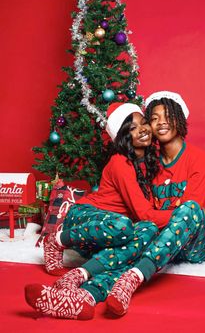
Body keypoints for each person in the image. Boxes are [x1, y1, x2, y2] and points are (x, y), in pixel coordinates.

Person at [24, 102, 174, 320]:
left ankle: (83, 294)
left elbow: (149, 216)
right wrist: (182, 214)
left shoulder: (147, 164)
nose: (142, 129)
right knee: (126, 225)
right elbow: (144, 212)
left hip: (108, 239)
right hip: (85, 218)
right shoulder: (120, 162)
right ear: (123, 136)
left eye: (143, 123)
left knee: (141, 238)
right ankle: (57, 240)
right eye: (132, 127)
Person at [106, 91, 205, 316]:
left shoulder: (198, 158)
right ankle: (89, 287)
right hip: (164, 240)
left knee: (189, 209)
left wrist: (198, 211)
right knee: (140, 231)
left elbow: (191, 213)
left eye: (168, 116)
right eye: (155, 118)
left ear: (179, 119)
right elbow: (144, 212)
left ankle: (135, 277)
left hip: (200, 243)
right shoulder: (149, 163)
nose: (161, 123)